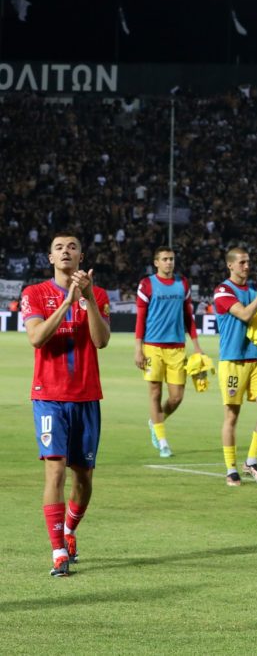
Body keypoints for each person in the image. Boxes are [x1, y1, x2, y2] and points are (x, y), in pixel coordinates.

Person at [22, 233, 111, 577]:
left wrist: (86, 297)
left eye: (72, 247)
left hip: (86, 397)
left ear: (81, 256)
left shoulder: (97, 295)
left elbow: (101, 340)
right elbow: (36, 337)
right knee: (55, 470)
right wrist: (67, 301)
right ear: (50, 258)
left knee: (84, 479)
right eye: (59, 247)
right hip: (48, 397)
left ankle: (70, 531)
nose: (66, 252)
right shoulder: (34, 294)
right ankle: (58, 550)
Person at [213, 248, 257, 486]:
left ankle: (251, 461)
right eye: (241, 262)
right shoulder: (223, 291)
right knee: (232, 416)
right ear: (230, 265)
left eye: (248, 262)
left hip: (256, 358)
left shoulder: (253, 290)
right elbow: (244, 314)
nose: (246, 266)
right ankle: (231, 468)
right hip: (233, 360)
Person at [134, 247, 205, 459]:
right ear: (156, 262)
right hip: (152, 347)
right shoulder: (146, 284)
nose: (169, 263)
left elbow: (188, 317)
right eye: (164, 259)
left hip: (176, 348)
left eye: (171, 259)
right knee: (155, 393)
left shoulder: (182, 283)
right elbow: (140, 319)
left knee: (176, 397)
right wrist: (138, 348)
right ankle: (163, 441)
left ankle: (156, 422)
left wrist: (197, 345)